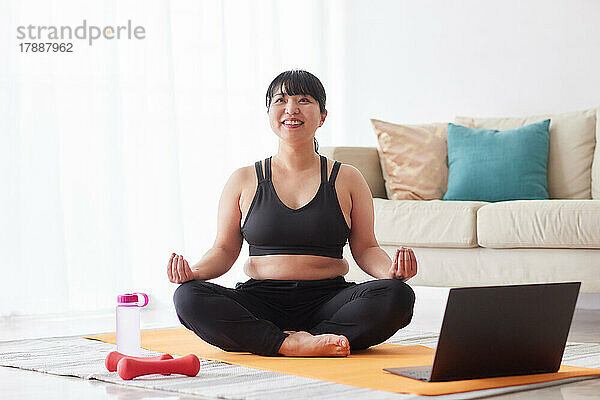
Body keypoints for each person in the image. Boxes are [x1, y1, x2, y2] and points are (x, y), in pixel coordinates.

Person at [169, 69, 417, 357]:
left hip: (328, 299)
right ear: (269, 112)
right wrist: (195, 272)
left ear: (323, 116)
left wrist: (391, 272)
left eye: (304, 100)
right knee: (188, 297)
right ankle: (294, 343)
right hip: (261, 300)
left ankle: (284, 340)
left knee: (397, 296)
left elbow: (366, 248)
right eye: (281, 100)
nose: (291, 109)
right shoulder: (244, 179)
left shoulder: (347, 178)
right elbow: (224, 249)